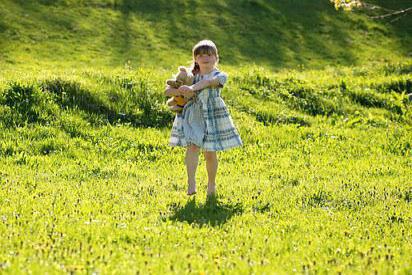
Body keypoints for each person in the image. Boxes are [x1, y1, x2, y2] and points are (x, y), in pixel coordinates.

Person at [165, 40, 243, 196]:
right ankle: (191, 182)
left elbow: (207, 82)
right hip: (193, 115)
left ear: (216, 58)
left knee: (209, 153)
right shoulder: (189, 75)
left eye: (209, 54)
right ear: (195, 59)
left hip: (212, 115)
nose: (205, 57)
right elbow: (168, 91)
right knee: (192, 146)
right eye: (200, 55)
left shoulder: (220, 75)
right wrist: (180, 91)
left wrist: (192, 88)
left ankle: (211, 185)